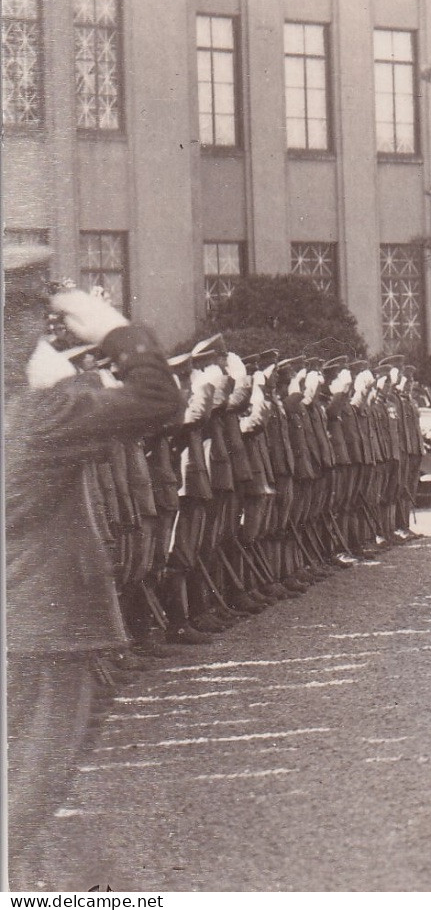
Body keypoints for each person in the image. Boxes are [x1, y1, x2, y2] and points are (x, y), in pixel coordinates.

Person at [4, 247, 185, 883]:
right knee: (27, 788)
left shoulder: (31, 414)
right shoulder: (35, 418)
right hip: (42, 632)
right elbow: (158, 397)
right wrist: (112, 330)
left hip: (22, 626)